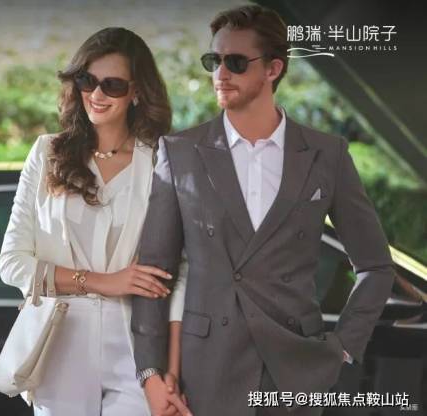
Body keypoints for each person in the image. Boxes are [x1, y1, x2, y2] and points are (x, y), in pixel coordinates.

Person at [132, 5, 395, 416]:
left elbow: (376, 266)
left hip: (297, 371)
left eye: (236, 62)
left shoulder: (327, 154)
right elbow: (154, 273)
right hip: (207, 372)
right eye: (214, 61)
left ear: (273, 69)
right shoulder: (180, 152)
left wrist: (343, 347)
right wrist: (150, 372)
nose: (221, 74)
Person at [0, 27, 187, 416]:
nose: (97, 95)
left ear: (137, 92)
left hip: (137, 345)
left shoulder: (161, 160)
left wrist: (171, 369)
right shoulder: (47, 153)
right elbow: (12, 264)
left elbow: (181, 272)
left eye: (112, 85)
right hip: (59, 339)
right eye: (87, 81)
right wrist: (102, 281)